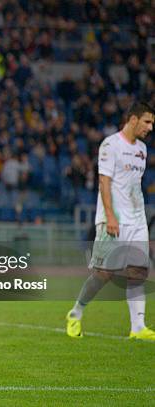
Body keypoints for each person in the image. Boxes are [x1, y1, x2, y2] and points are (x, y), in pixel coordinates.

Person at [66, 101, 154, 341]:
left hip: (136, 220)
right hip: (111, 218)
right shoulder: (110, 145)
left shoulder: (143, 150)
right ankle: (76, 313)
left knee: (138, 271)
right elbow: (104, 183)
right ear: (133, 119)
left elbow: (134, 185)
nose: (150, 127)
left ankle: (138, 327)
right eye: (147, 121)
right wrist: (111, 216)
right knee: (103, 273)